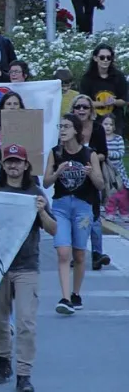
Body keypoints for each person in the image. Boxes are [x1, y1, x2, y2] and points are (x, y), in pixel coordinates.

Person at [0, 144, 55, 392]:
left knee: (26, 323)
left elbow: (54, 229)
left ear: (25, 165)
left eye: (17, 161)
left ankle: (24, 374)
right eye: (9, 161)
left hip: (27, 265)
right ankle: (3, 363)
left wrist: (41, 211)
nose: (13, 166)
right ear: (2, 165)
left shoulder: (34, 193)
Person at [45, 114, 104, 314]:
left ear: (76, 130)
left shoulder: (89, 154)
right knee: (63, 252)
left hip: (83, 207)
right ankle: (65, 298)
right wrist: (57, 173)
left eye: (66, 126)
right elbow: (46, 182)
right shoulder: (55, 153)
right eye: (60, 126)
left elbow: (100, 184)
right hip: (61, 206)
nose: (62, 130)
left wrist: (91, 173)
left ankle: (76, 293)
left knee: (79, 254)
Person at [68, 93, 111, 270]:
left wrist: (89, 157)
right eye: (78, 107)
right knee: (74, 215)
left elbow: (104, 154)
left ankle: (97, 254)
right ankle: (77, 254)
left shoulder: (98, 129)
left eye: (85, 107)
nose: (81, 110)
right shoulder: (68, 127)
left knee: (94, 214)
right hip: (72, 177)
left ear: (91, 110)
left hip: (93, 175)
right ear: (73, 109)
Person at [79, 43, 127, 134]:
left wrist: (114, 101)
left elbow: (125, 100)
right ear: (95, 58)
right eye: (102, 57)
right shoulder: (87, 78)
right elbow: (83, 102)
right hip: (94, 121)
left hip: (115, 123)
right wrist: (103, 103)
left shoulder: (119, 76)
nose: (105, 60)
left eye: (108, 57)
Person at [103, 114, 129, 220]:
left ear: (114, 127)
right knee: (109, 193)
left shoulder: (118, 139)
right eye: (105, 124)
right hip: (106, 171)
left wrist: (108, 154)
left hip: (119, 171)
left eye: (110, 124)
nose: (108, 126)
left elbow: (121, 153)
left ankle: (124, 212)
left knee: (123, 192)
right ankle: (110, 212)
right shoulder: (100, 139)